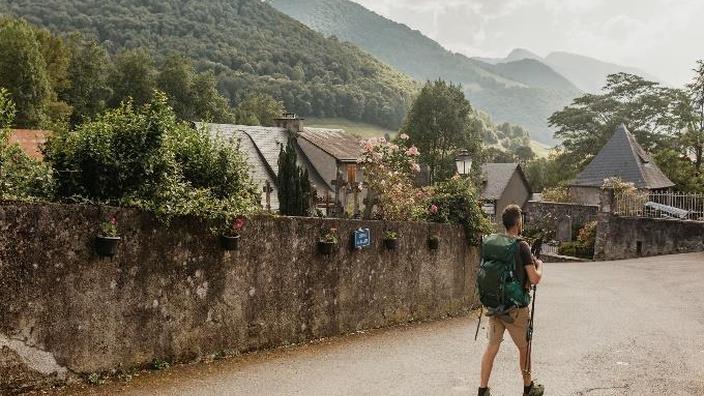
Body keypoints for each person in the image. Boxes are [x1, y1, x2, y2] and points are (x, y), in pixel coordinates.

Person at [478, 204, 544, 396]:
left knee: (492, 347)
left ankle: (483, 389)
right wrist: (540, 265)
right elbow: (534, 279)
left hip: (495, 303)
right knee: (524, 348)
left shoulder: (494, 244)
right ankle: (528, 387)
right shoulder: (521, 246)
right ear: (518, 222)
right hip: (516, 308)